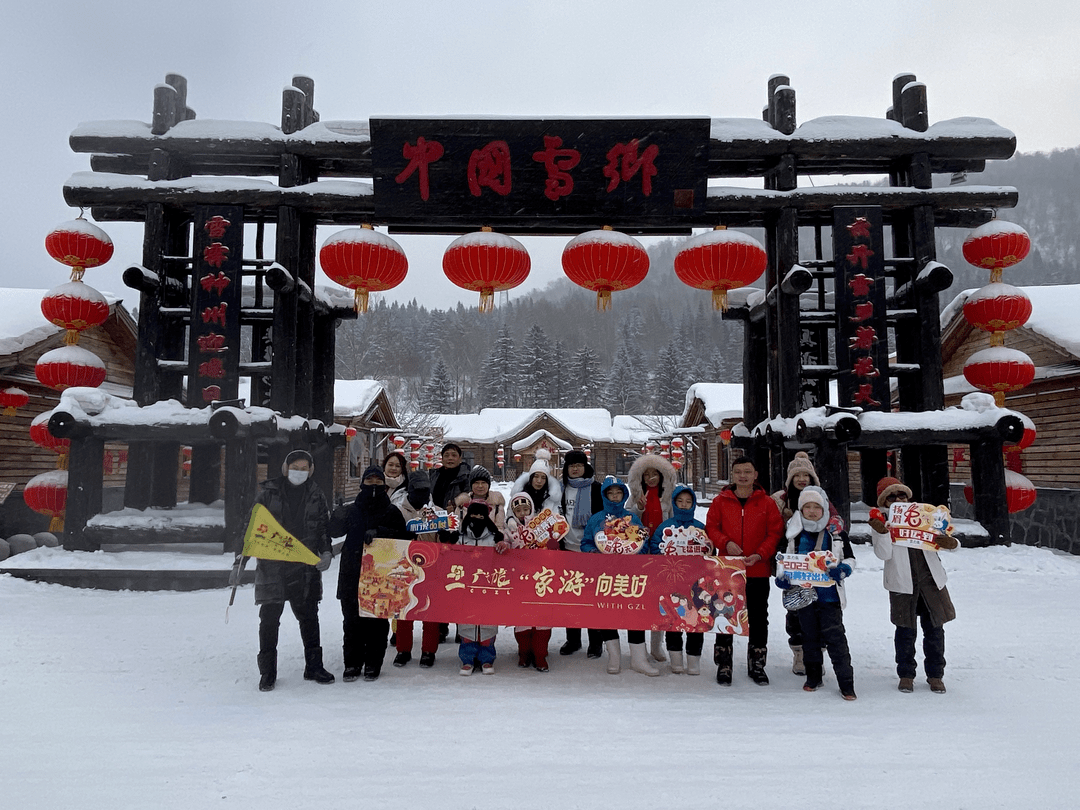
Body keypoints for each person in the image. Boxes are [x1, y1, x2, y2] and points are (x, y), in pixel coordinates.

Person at [250, 449, 334, 692]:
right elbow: (253, 525)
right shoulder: (268, 493)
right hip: (272, 566)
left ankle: (314, 666)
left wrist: (326, 551)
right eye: (295, 467)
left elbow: (323, 527)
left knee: (309, 617)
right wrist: (240, 558)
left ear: (310, 470)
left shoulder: (316, 495)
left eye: (304, 468)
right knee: (269, 620)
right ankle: (267, 672)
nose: (300, 472)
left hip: (304, 565)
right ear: (286, 468)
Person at [870, 476, 959, 694]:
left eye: (901, 495)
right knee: (905, 631)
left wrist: (951, 543)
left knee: (935, 629)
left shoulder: (926, 516)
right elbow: (883, 554)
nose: (897, 499)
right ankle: (906, 674)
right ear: (884, 502)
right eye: (891, 497)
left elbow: (947, 537)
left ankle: (936, 674)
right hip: (902, 583)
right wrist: (882, 533)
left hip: (931, 580)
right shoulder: (884, 522)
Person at [705, 456, 784, 686]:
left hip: (757, 568)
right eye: (738, 471)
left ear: (755, 474)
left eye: (747, 471)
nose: (743, 476)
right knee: (724, 614)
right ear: (733, 474)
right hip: (727, 568)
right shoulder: (720, 501)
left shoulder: (767, 503)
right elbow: (711, 527)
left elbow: (775, 532)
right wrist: (726, 542)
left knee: (759, 617)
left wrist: (761, 553)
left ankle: (757, 664)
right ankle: (724, 664)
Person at [329, 465, 409, 682]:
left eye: (377, 481)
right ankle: (352, 663)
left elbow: (404, 538)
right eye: (369, 480)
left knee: (377, 621)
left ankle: (373, 663)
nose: (373, 484)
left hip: (381, 575)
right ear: (362, 483)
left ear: (383, 485)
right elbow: (334, 531)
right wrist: (335, 516)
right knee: (351, 620)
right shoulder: (351, 509)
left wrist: (381, 533)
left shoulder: (392, 511)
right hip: (351, 572)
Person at [775, 486, 857, 700]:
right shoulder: (793, 533)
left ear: (824, 508)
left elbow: (849, 557)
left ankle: (846, 682)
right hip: (804, 596)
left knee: (836, 639)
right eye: (807, 507)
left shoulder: (835, 533)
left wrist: (844, 569)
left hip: (829, 596)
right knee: (809, 638)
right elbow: (783, 558)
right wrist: (782, 577)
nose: (812, 511)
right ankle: (813, 677)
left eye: (816, 507)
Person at [771, 451, 845, 677]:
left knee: (822, 613)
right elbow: (773, 532)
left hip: (819, 569)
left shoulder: (822, 500)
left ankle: (817, 653)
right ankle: (799, 652)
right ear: (790, 479)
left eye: (806, 475)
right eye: (797, 475)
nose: (802, 479)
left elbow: (837, 527)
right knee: (795, 611)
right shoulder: (780, 501)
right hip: (793, 566)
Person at [582, 476, 658, 677]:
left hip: (629, 576)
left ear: (624, 495)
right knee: (608, 613)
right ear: (605, 495)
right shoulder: (596, 519)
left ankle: (638, 658)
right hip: (604, 576)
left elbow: (643, 544)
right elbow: (587, 542)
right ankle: (613, 655)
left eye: (618, 493)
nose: (615, 497)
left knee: (634, 613)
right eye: (611, 493)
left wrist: (633, 555)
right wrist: (593, 553)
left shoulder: (632, 518)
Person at [648, 484, 710, 675]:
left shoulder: (699, 528)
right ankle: (675, 660)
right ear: (674, 503)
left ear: (693, 504)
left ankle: (693, 660)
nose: (684, 505)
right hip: (671, 581)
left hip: (695, 583)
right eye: (680, 501)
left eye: (688, 501)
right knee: (673, 620)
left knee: (696, 620)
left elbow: (709, 552)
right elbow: (655, 546)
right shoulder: (666, 527)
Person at [627, 452, 678, 664]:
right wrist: (638, 508)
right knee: (640, 600)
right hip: (640, 554)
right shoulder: (636, 496)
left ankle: (657, 646)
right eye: (646, 474)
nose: (650, 478)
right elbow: (627, 520)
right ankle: (640, 649)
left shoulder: (670, 496)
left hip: (664, 554)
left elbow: (678, 520)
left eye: (654, 474)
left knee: (662, 601)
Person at [389, 469, 440, 668]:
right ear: (410, 490)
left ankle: (429, 650)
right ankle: (403, 649)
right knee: (404, 610)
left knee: (430, 610)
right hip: (403, 566)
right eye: (418, 490)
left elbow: (441, 539)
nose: (422, 494)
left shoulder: (435, 512)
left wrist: (445, 534)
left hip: (430, 565)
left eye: (426, 490)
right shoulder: (397, 510)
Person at [558, 450, 605, 658]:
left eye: (579, 464)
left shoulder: (596, 489)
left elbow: (606, 517)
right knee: (570, 597)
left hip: (591, 551)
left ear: (586, 467)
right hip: (567, 549)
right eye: (571, 465)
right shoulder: (560, 489)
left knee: (592, 598)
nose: (575, 468)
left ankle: (595, 642)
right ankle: (573, 639)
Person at [427, 443, 471, 650]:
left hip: (458, 533)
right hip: (435, 531)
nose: (450, 458)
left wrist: (457, 507)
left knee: (458, 581)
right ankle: (441, 625)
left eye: (454, 455)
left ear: (460, 457)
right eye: (447, 455)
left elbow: (473, 500)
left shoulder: (467, 476)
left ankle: (461, 628)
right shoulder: (433, 475)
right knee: (438, 582)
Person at [456, 501, 508, 675]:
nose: (477, 519)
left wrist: (503, 547)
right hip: (466, 588)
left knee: (487, 624)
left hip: (488, 588)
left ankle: (487, 658)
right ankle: (467, 659)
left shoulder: (495, 537)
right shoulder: (461, 536)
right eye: (473, 515)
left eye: (481, 516)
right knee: (466, 624)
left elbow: (505, 560)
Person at [506, 492, 555, 671]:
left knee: (542, 618)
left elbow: (553, 545)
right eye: (518, 510)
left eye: (526, 509)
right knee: (522, 619)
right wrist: (503, 545)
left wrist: (552, 543)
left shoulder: (542, 527)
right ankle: (524, 652)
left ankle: (540, 654)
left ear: (532, 509)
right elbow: (504, 545)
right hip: (520, 580)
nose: (522, 513)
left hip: (542, 579)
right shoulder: (510, 529)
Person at [510, 448, 562, 515]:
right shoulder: (519, 495)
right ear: (531, 478)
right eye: (536, 476)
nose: (539, 481)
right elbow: (510, 514)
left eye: (543, 478)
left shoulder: (551, 498)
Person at [454, 465, 506, 531]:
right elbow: (457, 529)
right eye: (476, 483)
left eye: (483, 483)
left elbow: (500, 528)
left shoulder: (497, 506)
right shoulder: (462, 505)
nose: (480, 486)